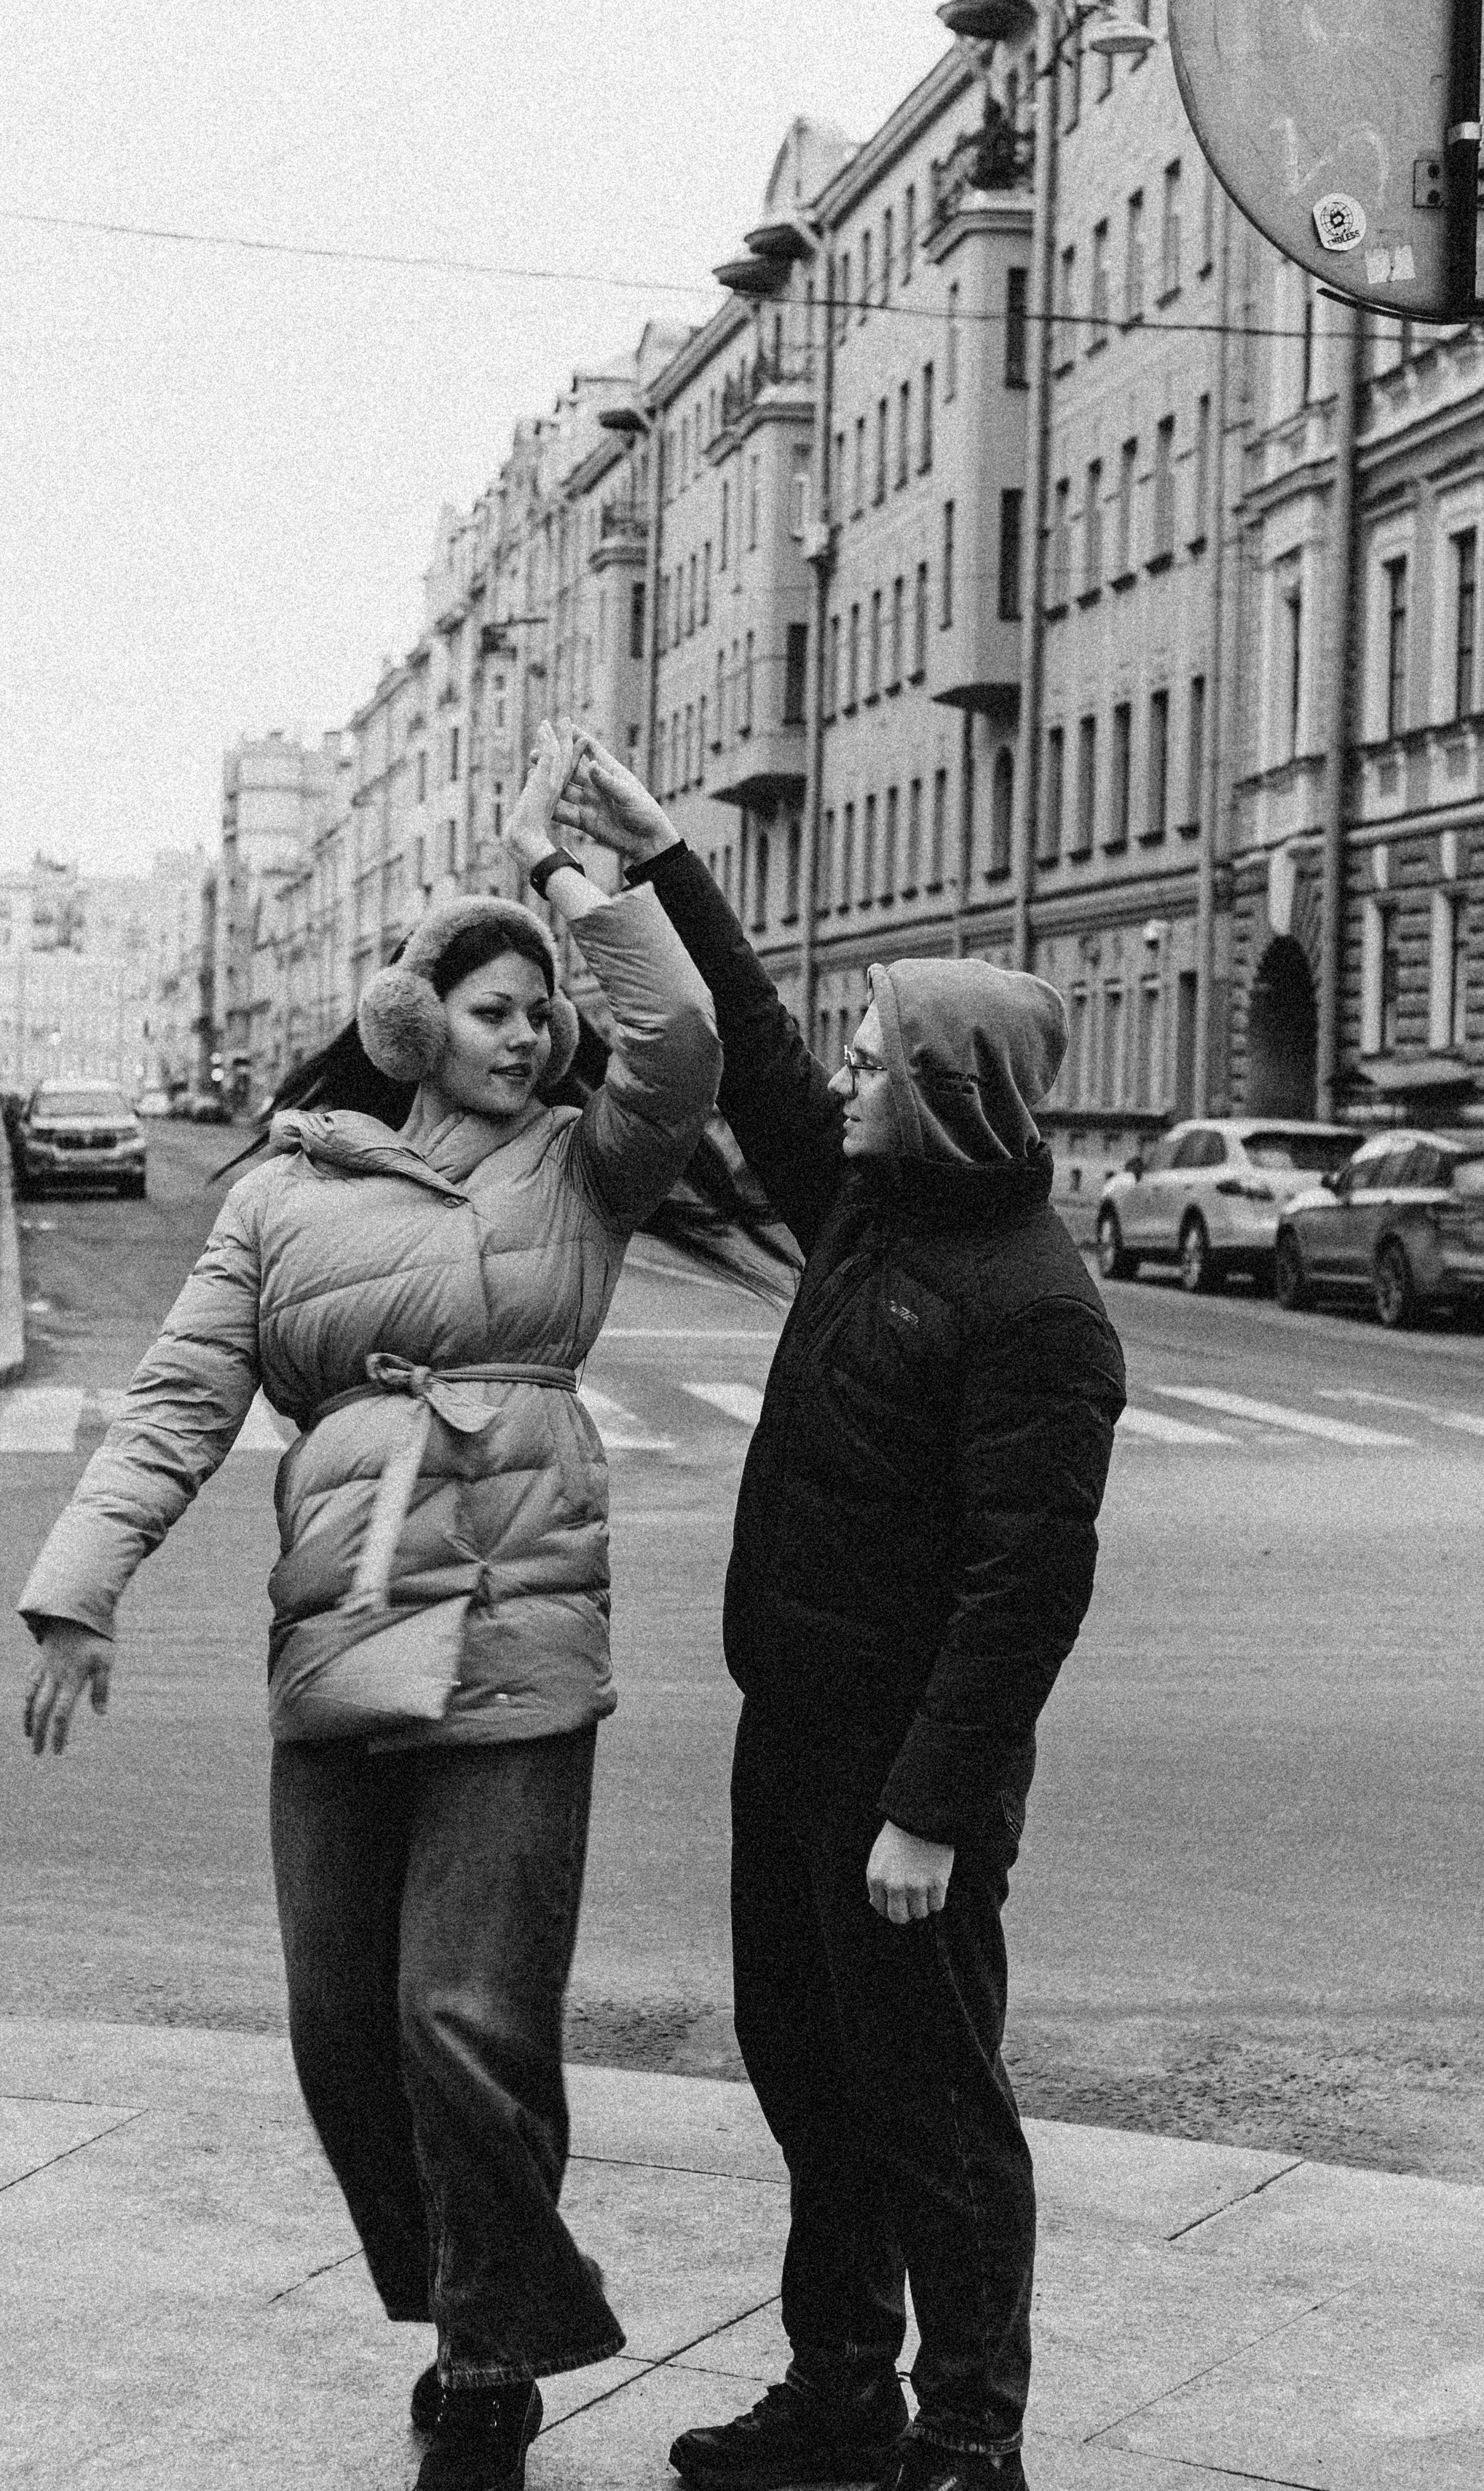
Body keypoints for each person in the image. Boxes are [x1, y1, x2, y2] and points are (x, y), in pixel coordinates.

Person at [17, 723, 721, 2491]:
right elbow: (179, 1399)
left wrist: (575, 886)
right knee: (341, 2023)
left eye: (540, 1011)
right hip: (337, 1620)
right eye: (494, 1006)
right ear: (416, 1020)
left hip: (515, 1619)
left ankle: (492, 2354)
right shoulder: (276, 1190)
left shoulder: (583, 1166)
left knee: (463, 2014)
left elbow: (680, 1041)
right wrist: (78, 1587)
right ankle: (473, 2285)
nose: (529, 1031)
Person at [557, 735, 1126, 2491]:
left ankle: (968, 2435)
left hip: (902, 1779)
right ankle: (837, 2387)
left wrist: (928, 1810)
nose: (853, 1073)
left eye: (883, 1055)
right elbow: (765, 1054)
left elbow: (1019, 1592)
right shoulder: (868, 1208)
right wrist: (662, 862)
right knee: (807, 2072)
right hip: (789, 1734)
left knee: (935, 2109)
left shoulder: (1032, 1310)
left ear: (950, 1087)